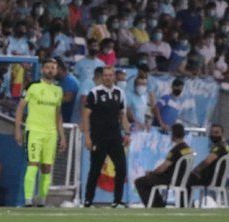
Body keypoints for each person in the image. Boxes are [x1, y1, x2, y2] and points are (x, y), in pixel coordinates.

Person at [14, 58, 66, 207]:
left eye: (53, 68)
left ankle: (42, 198)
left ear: (56, 71)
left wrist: (62, 135)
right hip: (34, 130)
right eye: (48, 67)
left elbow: (58, 115)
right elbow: (20, 108)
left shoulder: (58, 90)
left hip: (50, 133)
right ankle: (28, 199)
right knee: (33, 163)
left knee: (47, 166)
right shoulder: (33, 86)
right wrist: (17, 129)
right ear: (43, 69)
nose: (51, 70)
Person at [82, 66, 131, 208]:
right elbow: (86, 115)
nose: (108, 78)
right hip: (98, 137)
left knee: (121, 168)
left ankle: (117, 200)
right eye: (105, 75)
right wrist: (87, 136)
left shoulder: (119, 93)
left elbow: (122, 115)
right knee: (95, 169)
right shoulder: (94, 93)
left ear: (114, 77)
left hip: (115, 137)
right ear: (102, 77)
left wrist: (127, 133)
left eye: (110, 75)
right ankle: (88, 200)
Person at [134, 123, 194, 208]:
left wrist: (152, 173)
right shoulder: (188, 149)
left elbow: (163, 168)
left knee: (140, 181)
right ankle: (158, 204)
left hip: (170, 179)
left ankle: (155, 206)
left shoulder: (175, 150)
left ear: (173, 135)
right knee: (150, 180)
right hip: (182, 179)